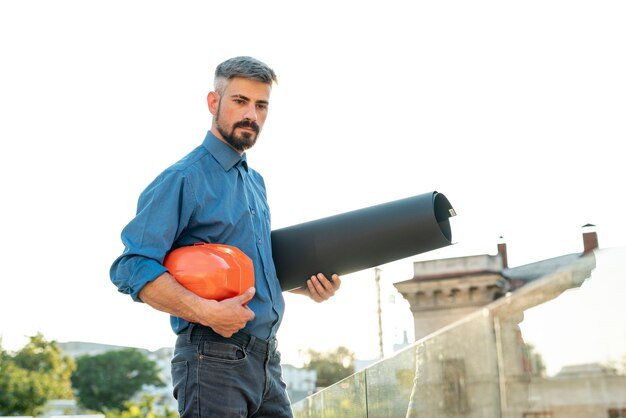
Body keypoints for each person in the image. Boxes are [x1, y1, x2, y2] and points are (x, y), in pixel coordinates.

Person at [110, 56, 341, 417]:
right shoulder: (184, 178)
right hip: (212, 357)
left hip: (267, 359)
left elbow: (250, 273)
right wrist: (207, 312)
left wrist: (305, 286)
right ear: (213, 103)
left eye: (261, 105)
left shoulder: (255, 183)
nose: (251, 113)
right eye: (240, 101)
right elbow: (131, 267)